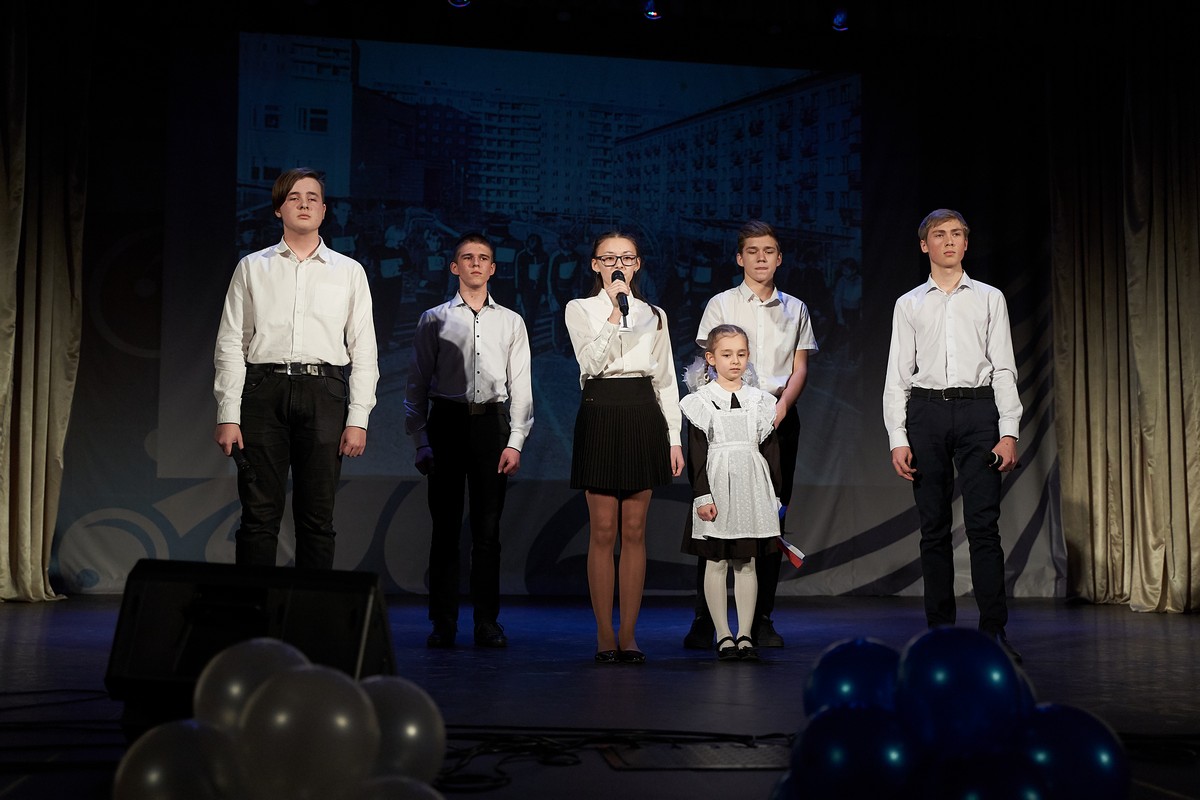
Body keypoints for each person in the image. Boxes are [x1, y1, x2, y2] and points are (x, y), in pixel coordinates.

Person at [213, 167, 379, 569]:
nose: (304, 204)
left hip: (325, 393)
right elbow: (231, 342)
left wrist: (358, 418)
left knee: (317, 520)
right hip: (263, 391)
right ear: (278, 209)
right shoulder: (252, 267)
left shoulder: (349, 271)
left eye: (312, 198)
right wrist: (227, 413)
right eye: (293, 197)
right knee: (258, 518)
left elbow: (364, 350)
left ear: (323, 210)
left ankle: (310, 608)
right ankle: (255, 606)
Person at [882, 208, 1023, 664]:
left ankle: (992, 632)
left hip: (979, 410)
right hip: (926, 412)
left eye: (957, 234)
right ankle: (939, 635)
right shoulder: (909, 303)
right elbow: (897, 376)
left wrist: (1008, 432)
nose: (949, 241)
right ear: (925, 245)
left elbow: (1004, 368)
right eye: (939, 234)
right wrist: (897, 437)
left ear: (966, 243)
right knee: (934, 529)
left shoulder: (989, 298)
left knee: (984, 526)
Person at [683, 220, 818, 650]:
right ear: (740, 258)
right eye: (753, 251)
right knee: (714, 515)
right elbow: (706, 363)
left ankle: (760, 619)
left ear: (779, 258)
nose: (762, 258)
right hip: (725, 419)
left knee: (770, 515)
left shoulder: (795, 308)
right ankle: (706, 620)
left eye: (769, 251)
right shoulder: (721, 303)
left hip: (776, 416)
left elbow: (799, 367)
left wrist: (781, 407)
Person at [405, 232, 533, 649]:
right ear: (454, 266)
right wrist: (420, 438)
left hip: (490, 427)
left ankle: (486, 622)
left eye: (483, 258)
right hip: (445, 423)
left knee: (487, 531)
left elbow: (521, 387)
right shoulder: (433, 318)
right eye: (467, 257)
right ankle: (443, 622)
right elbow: (416, 383)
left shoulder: (511, 321)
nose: (475, 263)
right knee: (444, 530)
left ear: (493, 268)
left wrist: (515, 441)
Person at [565, 231, 685, 664]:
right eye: (610, 257)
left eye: (627, 258)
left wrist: (674, 437)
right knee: (603, 530)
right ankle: (603, 634)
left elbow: (665, 379)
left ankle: (629, 634)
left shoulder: (655, 315)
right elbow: (590, 363)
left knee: (634, 530)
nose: (619, 265)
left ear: (638, 265)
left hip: (642, 411)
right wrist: (616, 314)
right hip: (600, 408)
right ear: (595, 264)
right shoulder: (580, 309)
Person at [681, 325, 783, 662]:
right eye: (727, 354)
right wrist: (702, 495)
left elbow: (770, 450)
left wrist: (774, 495)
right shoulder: (701, 402)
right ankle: (723, 634)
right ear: (711, 358)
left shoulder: (760, 401)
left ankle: (745, 634)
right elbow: (696, 453)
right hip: (717, 486)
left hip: (752, 486)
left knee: (746, 561)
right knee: (716, 560)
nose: (735, 361)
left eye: (741, 354)